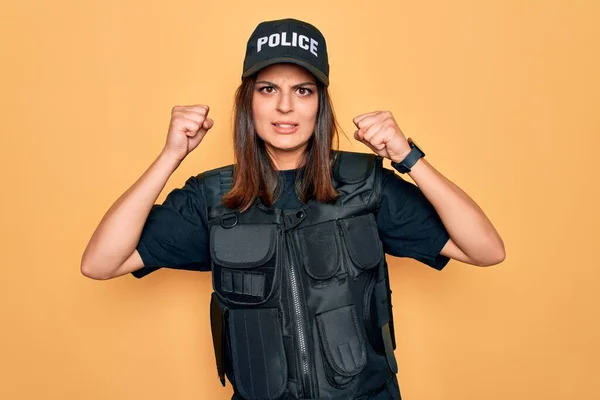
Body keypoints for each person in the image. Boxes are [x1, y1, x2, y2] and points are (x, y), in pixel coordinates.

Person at [81, 17, 505, 400]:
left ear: (320, 103)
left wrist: (408, 157)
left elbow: (485, 250)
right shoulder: (212, 197)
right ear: (249, 101)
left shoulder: (364, 185)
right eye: (269, 89)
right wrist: (170, 156)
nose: (285, 106)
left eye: (302, 90)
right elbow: (100, 263)